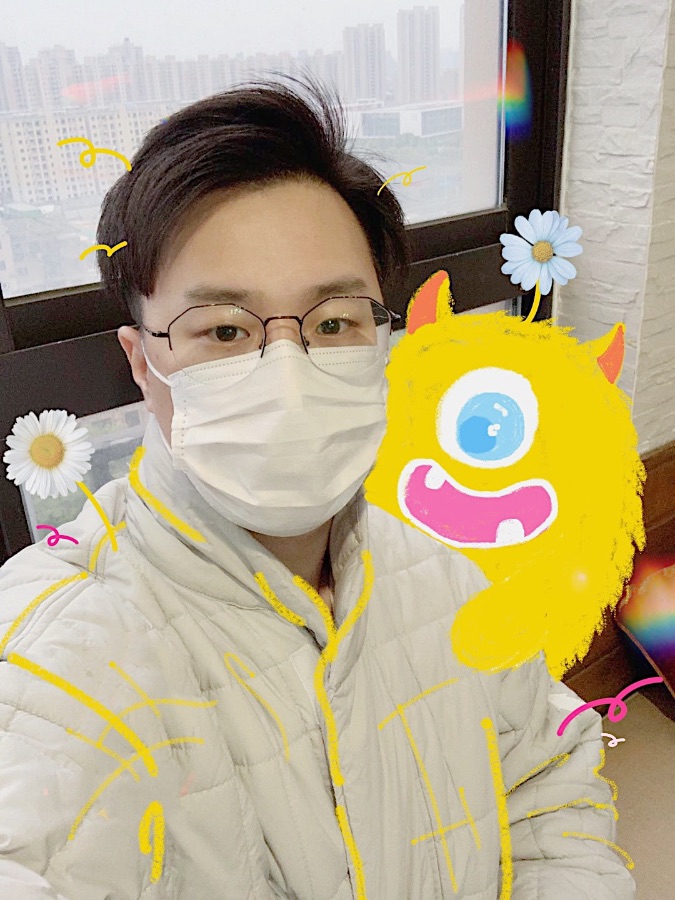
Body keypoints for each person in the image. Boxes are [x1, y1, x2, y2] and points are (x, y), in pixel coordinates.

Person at [0, 75, 635, 899]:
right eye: (223, 330)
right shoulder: (56, 657)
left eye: (334, 322)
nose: (287, 373)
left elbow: (547, 780)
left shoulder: (443, 571)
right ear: (142, 361)